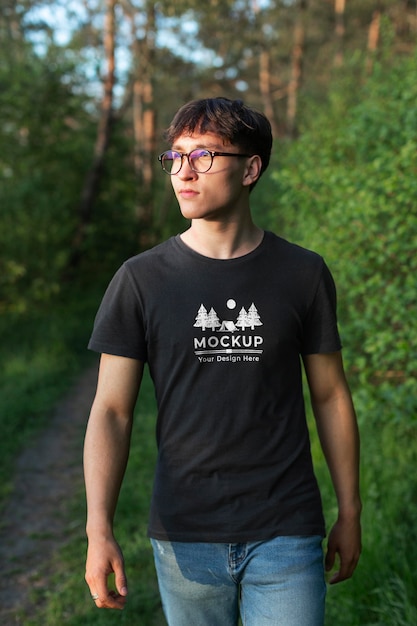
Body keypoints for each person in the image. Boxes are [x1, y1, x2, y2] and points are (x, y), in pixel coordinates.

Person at [83, 97, 361, 625]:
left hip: (287, 528)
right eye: (176, 156)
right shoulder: (141, 280)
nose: (184, 172)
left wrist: (351, 509)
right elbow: (111, 412)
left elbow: (329, 395)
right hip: (184, 535)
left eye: (205, 155)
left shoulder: (302, 273)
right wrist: (99, 528)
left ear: (251, 168)